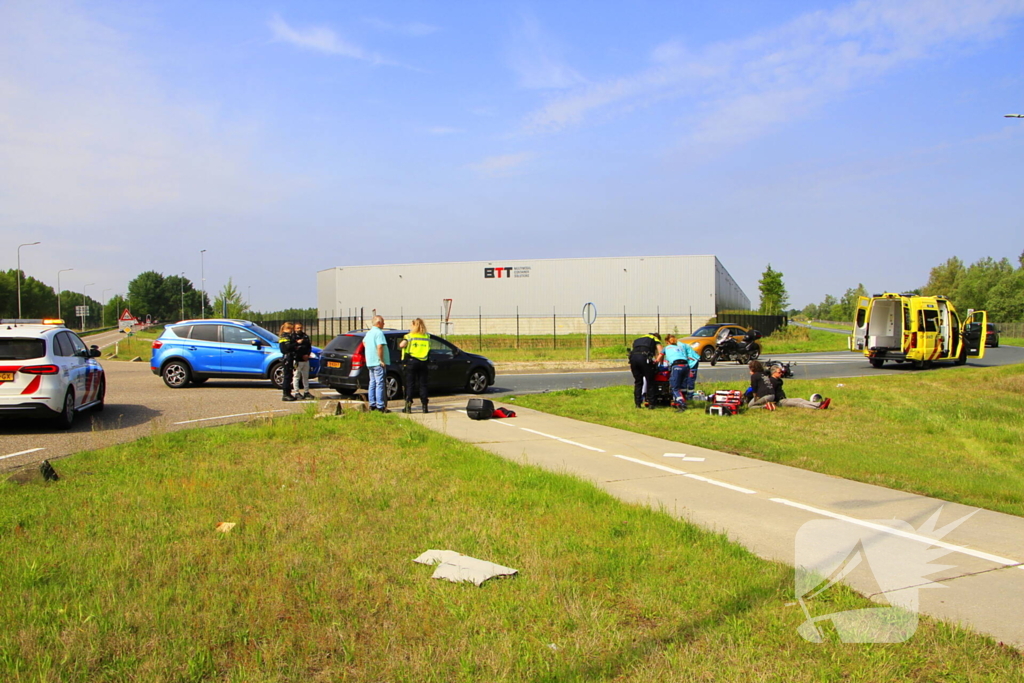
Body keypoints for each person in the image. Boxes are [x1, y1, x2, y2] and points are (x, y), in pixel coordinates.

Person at [764, 364, 831, 410]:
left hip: (784, 399)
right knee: (797, 404)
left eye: (781, 372)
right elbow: (770, 394)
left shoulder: (778, 380)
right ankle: (817, 407)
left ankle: (819, 404)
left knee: (800, 399)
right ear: (773, 373)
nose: (781, 373)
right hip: (779, 402)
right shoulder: (771, 381)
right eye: (779, 372)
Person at [399, 318, 431, 414]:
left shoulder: (409, 336)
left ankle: (408, 407)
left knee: (410, 385)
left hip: (412, 362)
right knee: (423, 385)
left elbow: (401, 345)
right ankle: (424, 406)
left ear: (414, 325)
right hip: (424, 362)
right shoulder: (427, 336)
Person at [663, 334, 700, 411]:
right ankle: (684, 399)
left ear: (667, 342)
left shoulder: (676, 346)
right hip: (687, 364)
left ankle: (683, 401)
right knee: (683, 384)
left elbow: (676, 357)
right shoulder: (678, 344)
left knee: (682, 383)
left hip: (691, 362)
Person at [364, 315, 390, 412]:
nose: (384, 324)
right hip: (377, 362)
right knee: (380, 383)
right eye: (383, 322)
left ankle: (372, 404)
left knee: (372, 383)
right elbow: (380, 347)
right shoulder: (379, 333)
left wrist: (369, 350)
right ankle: (380, 405)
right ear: (378, 323)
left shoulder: (369, 333)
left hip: (370, 361)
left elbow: (364, 342)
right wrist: (381, 360)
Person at [629, 332, 663, 408]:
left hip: (633, 359)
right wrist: (660, 362)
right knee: (650, 381)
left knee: (638, 382)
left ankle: (637, 404)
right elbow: (661, 352)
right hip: (644, 358)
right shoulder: (655, 338)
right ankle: (651, 404)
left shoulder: (638, 339)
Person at [292, 322, 314, 400]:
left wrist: (307, 355)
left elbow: (309, 347)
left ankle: (306, 392)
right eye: (297, 328)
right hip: (298, 360)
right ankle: (296, 392)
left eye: (300, 327)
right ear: (294, 328)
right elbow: (293, 349)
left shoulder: (305, 336)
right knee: (296, 376)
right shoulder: (293, 337)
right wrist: (301, 355)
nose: (299, 329)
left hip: (306, 360)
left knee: (305, 377)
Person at [278, 322, 297, 402]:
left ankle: (288, 393)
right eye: (289, 328)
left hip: (290, 357)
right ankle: (285, 394)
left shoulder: (289, 336)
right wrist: (296, 343)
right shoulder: (284, 336)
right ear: (285, 329)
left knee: (289, 376)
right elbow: (286, 347)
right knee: (287, 376)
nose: (291, 330)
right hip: (287, 357)